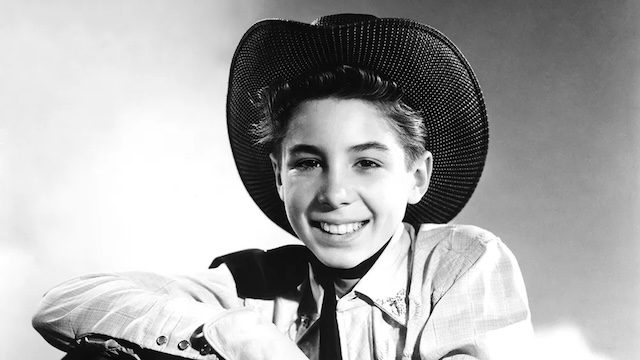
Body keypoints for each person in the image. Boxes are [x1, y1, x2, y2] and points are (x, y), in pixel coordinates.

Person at [33, 13, 533, 360]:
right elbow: (64, 305)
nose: (335, 193)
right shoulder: (255, 283)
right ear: (278, 174)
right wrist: (240, 335)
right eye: (309, 163)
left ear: (417, 176)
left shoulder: (462, 263)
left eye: (367, 163)